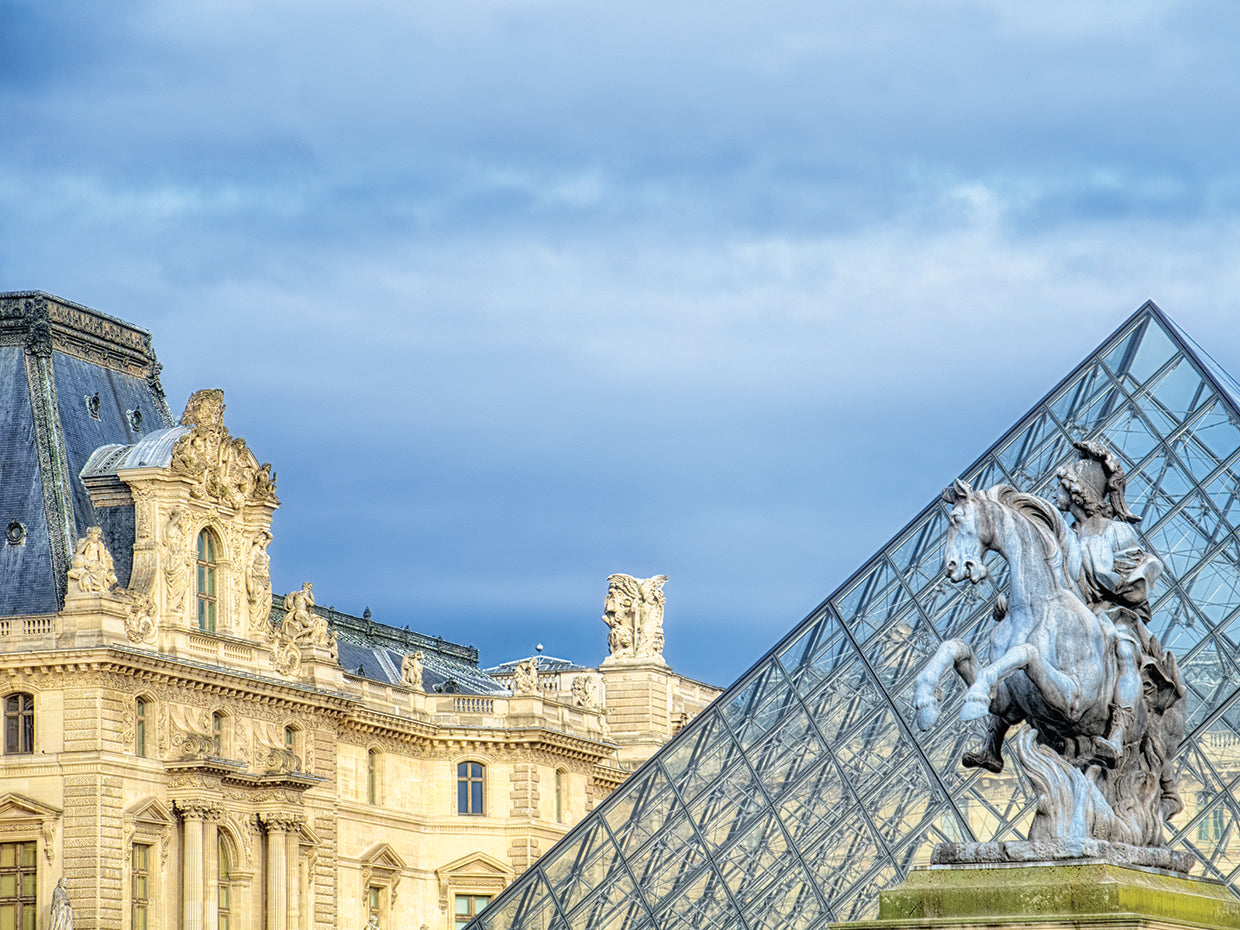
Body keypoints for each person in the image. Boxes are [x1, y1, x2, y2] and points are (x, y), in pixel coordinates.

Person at [1056, 440, 1185, 814]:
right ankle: (994, 738)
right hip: (1074, 621)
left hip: (1114, 618)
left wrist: (1107, 580)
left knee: (1125, 650)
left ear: (1078, 492)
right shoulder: (1064, 537)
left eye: (1063, 486)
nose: (1057, 493)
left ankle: (1117, 733)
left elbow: (1139, 581)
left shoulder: (1116, 533)